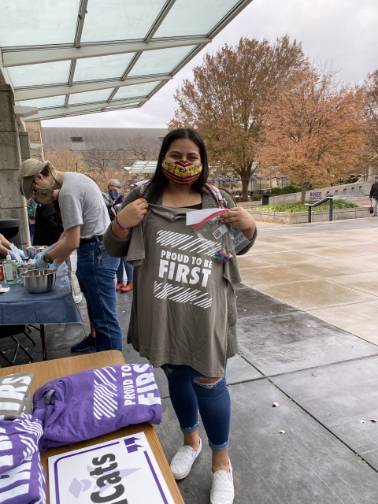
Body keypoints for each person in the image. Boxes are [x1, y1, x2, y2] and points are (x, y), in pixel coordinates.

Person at [103, 128, 257, 504]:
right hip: (163, 307)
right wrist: (121, 221)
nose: (184, 162)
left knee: (209, 379)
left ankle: (222, 462)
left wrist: (250, 226)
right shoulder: (143, 197)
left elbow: (239, 247)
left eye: (191, 156)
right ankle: (191, 440)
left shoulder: (215, 197)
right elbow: (113, 247)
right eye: (176, 155)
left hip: (206, 308)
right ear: (162, 157)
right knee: (175, 372)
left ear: (201, 160)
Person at [18, 159, 123, 353]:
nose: (37, 196)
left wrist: (46, 259)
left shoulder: (68, 191)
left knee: (104, 314)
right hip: (94, 248)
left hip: (96, 250)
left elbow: (72, 241)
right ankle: (96, 339)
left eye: (34, 191)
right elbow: (68, 234)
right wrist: (52, 258)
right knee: (94, 303)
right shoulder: (72, 180)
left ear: (39, 176)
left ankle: (112, 363)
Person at [103, 178, 134, 293]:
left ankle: (131, 282)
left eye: (114, 189)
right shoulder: (108, 202)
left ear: (120, 189)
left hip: (126, 233)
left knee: (126, 259)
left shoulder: (126, 201)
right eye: (110, 190)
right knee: (118, 259)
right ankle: (120, 281)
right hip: (114, 234)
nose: (112, 192)